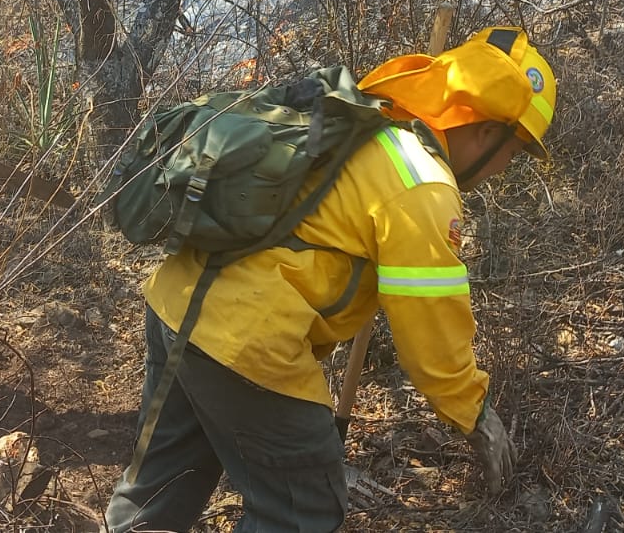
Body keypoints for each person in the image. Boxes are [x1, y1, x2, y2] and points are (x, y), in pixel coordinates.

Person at [104, 27, 557, 532]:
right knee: (302, 510)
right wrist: (477, 416)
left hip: (174, 306)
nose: (502, 168)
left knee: (158, 490)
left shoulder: (371, 126)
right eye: (512, 152)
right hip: (247, 346)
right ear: (483, 130)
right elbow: (433, 335)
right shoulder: (422, 184)